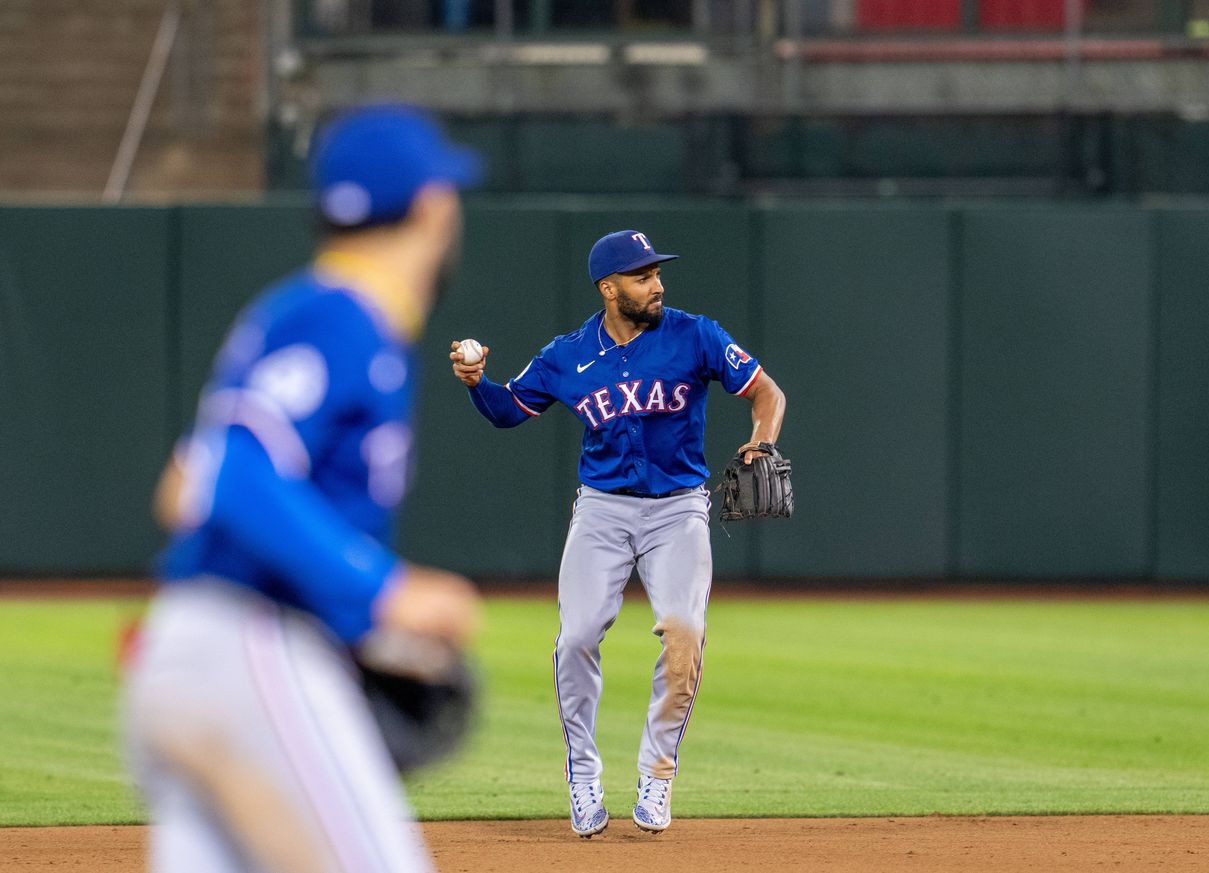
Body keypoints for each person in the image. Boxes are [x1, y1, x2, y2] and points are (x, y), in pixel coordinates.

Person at [121, 104, 483, 873]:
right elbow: (234, 473)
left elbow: (182, 485)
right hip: (251, 646)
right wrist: (380, 587)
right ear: (433, 206)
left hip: (185, 657)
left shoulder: (292, 313)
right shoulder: (343, 319)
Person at [449, 230, 786, 836]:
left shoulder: (695, 335)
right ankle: (582, 772)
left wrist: (762, 440)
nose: (657, 284)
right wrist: (478, 385)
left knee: (685, 635)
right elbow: (507, 411)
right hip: (602, 511)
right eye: (642, 276)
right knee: (576, 636)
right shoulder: (566, 355)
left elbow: (766, 392)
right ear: (609, 289)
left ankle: (657, 774)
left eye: (657, 273)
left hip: (679, 510)